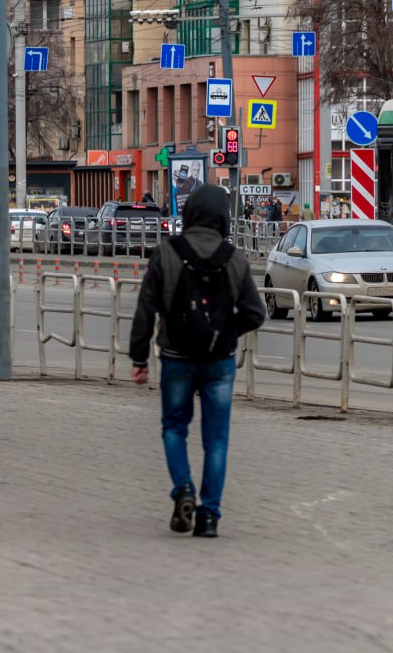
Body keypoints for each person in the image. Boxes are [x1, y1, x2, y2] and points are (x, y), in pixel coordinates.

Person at [129, 185, 266, 538]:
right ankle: (209, 516)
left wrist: (139, 356)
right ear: (222, 216)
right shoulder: (234, 259)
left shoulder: (167, 253)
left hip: (176, 357)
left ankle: (183, 489)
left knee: (174, 428)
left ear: (189, 214)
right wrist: (227, 332)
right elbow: (255, 313)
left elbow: (146, 307)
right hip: (219, 362)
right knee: (216, 440)